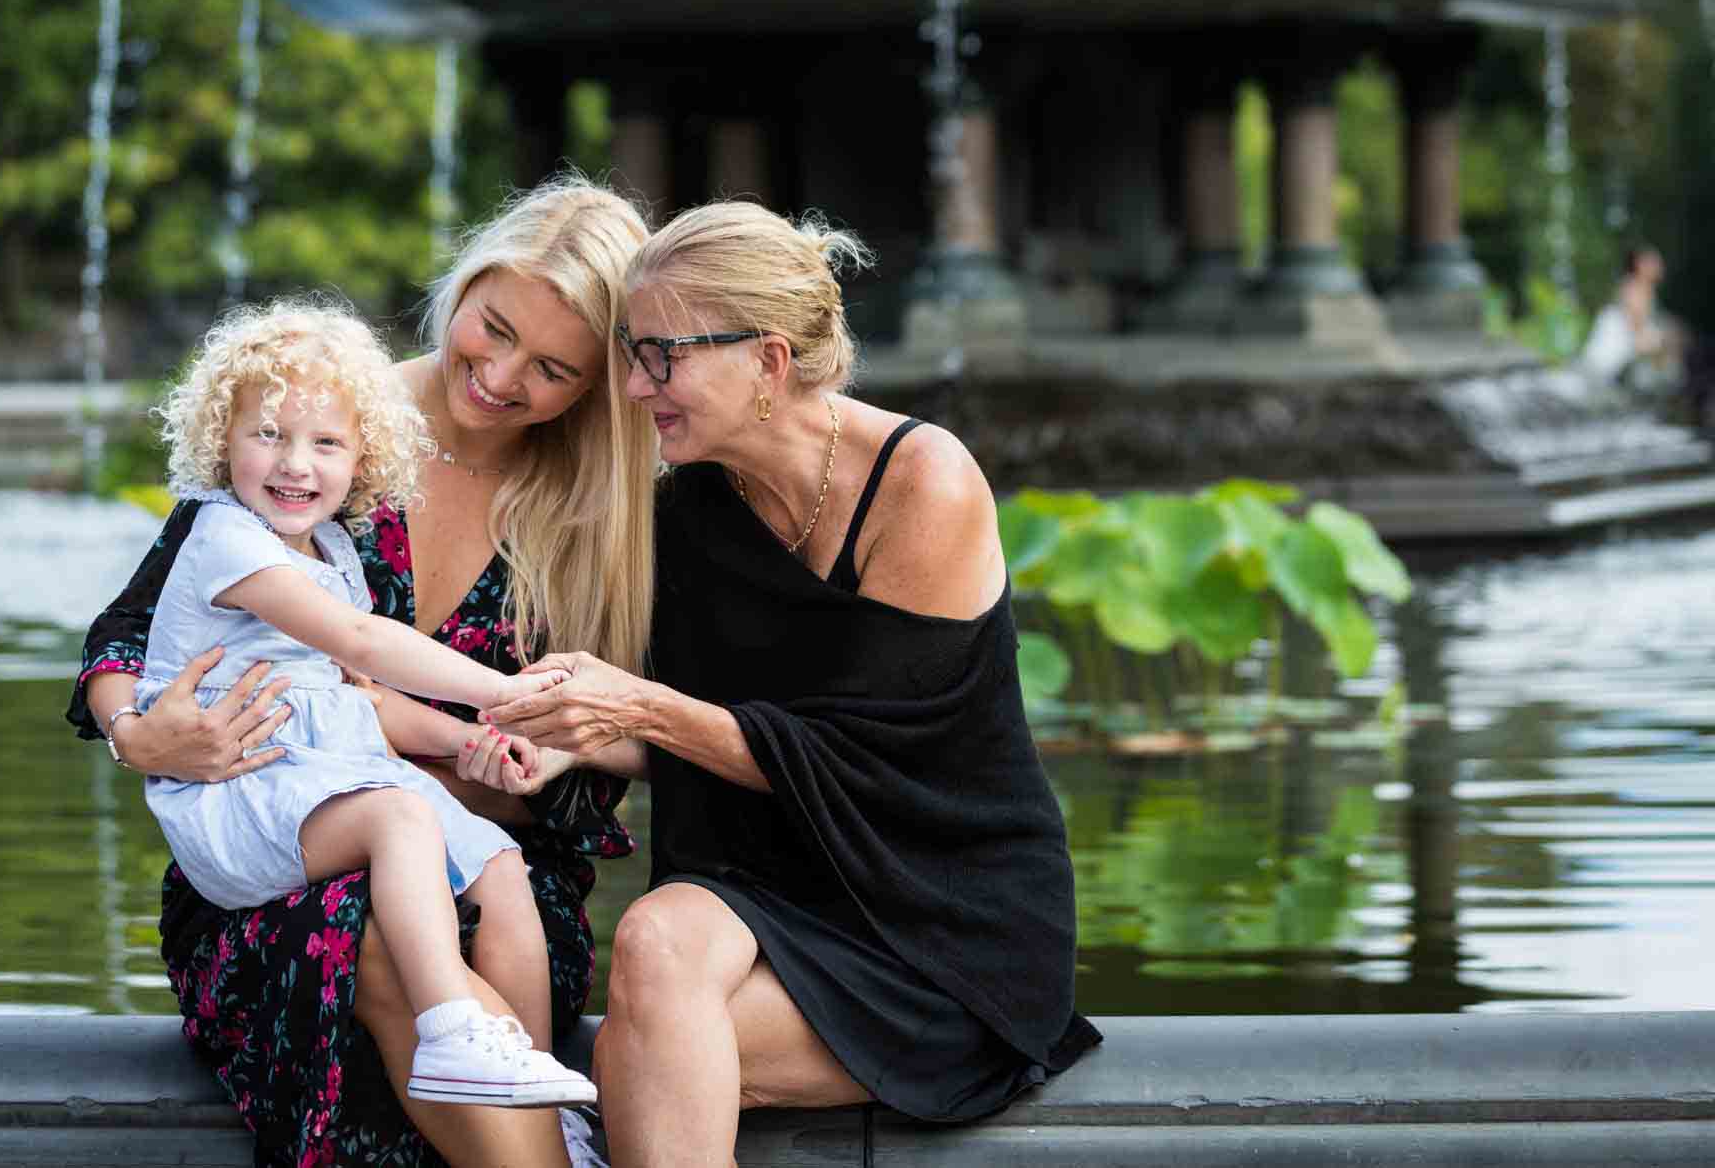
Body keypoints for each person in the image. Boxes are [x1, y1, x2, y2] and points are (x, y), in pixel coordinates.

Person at [482, 201, 1102, 1166]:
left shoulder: (922, 482)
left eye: (663, 356)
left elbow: (860, 764)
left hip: (938, 925)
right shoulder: (685, 503)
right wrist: (577, 731)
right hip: (765, 898)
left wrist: (638, 703)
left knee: (640, 1053)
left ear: (768, 362)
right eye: (632, 353)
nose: (639, 388)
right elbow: (713, 740)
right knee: (653, 941)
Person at [67, 177, 654, 1167]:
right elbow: (124, 637)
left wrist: (558, 753)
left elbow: (647, 731)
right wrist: (140, 731)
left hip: (495, 874)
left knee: (416, 903)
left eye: (553, 367)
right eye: (491, 326)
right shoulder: (315, 425)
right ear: (462, 287)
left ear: (599, 382)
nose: (503, 376)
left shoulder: (604, 515)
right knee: (365, 924)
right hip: (275, 865)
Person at [130, 294, 593, 1109]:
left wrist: (477, 735)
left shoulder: (333, 547)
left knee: (499, 863)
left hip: (323, 770)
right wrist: (506, 688)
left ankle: (533, 1090)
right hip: (241, 793)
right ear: (221, 439)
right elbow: (363, 643)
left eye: (325, 442)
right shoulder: (225, 537)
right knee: (401, 819)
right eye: (267, 434)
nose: (295, 464)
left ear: (362, 458)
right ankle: (452, 1025)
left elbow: (363, 702)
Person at [1581, 243, 1680, 389]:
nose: (1660, 265)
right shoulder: (1635, 289)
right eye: (1654, 262)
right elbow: (1636, 331)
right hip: (1617, 342)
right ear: (1640, 265)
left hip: (1624, 340)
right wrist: (1662, 345)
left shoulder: (1640, 288)